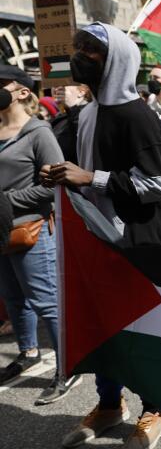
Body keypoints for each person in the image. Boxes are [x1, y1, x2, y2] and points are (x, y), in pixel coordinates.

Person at [44, 23, 161, 449]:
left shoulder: (139, 115)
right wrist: (62, 175)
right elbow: (83, 173)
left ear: (116, 59)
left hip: (137, 243)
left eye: (90, 50)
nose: (79, 54)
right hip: (96, 241)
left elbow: (158, 184)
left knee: (142, 328)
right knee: (103, 326)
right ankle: (108, 404)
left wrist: (91, 177)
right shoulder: (87, 114)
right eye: (77, 46)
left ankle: (155, 409)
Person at [0, 66, 79, 405]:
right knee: (14, 299)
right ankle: (28, 352)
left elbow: (54, 187)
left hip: (30, 229)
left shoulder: (38, 132)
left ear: (22, 92)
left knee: (46, 302)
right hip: (2, 230)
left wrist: (6, 200)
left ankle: (68, 367)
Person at [51, 84, 92, 164]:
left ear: (81, 92)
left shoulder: (90, 116)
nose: (56, 90)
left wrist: (72, 108)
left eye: (63, 86)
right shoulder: (61, 118)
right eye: (55, 86)